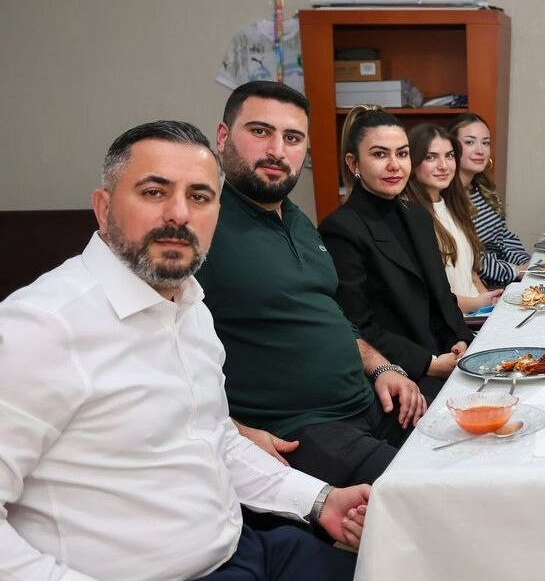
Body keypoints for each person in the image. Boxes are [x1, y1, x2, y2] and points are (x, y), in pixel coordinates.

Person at [0, 120, 369, 581]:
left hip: (246, 548)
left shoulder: (191, 305)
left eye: (199, 196)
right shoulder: (39, 327)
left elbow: (214, 437)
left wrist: (319, 500)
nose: (179, 214)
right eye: (154, 192)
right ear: (103, 208)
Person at [197, 81, 427, 487]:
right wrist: (232, 431)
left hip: (371, 402)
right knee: (433, 491)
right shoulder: (201, 227)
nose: (277, 150)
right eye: (260, 131)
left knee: (479, 446)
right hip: (300, 429)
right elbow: (157, 354)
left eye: (292, 138)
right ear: (222, 137)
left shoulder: (298, 221)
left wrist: (381, 367)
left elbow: (333, 315)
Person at [319, 107, 472, 403]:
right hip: (401, 372)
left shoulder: (417, 215)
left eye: (402, 154)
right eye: (379, 154)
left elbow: (443, 296)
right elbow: (358, 325)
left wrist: (459, 339)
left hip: (447, 358)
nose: (394, 165)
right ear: (353, 163)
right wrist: (429, 363)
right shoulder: (341, 229)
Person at [406, 123, 503, 314]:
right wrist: (478, 304)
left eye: (449, 156)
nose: (443, 166)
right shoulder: (410, 216)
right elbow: (427, 297)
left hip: (477, 315)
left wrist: (491, 306)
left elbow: (471, 273)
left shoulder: (454, 206)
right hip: (452, 322)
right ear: (413, 162)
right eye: (431, 157)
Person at [450, 113, 530, 288]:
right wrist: (516, 271)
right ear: (452, 148)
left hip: (504, 279)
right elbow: (471, 257)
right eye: (470, 142)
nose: (480, 150)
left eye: (485, 143)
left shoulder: (483, 188)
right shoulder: (448, 197)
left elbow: (503, 236)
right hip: (479, 287)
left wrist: (528, 265)